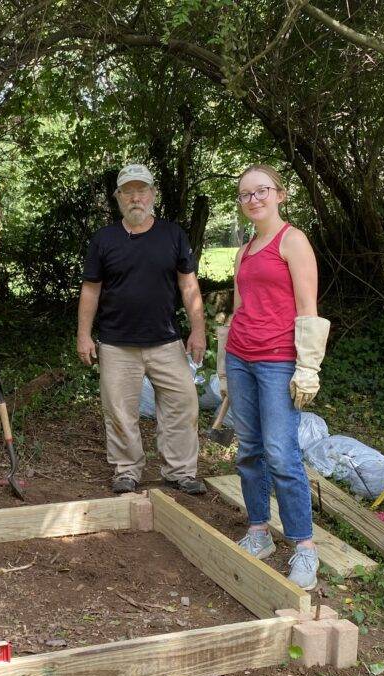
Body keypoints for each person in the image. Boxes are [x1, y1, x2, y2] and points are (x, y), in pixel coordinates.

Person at [219, 163, 330, 590]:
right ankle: (260, 531)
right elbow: (238, 308)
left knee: (281, 453)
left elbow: (308, 307)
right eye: (246, 194)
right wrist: (223, 367)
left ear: (280, 195)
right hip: (241, 358)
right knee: (248, 450)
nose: (254, 200)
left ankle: (304, 547)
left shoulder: (293, 241)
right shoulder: (244, 250)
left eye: (261, 191)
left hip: (278, 360)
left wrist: (308, 366)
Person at [78, 164, 207, 496]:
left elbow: (189, 287)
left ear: (153, 194)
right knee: (119, 409)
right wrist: (83, 334)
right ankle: (126, 470)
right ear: (119, 197)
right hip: (116, 343)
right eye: (128, 192)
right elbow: (90, 289)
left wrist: (198, 331)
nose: (136, 197)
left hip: (166, 340)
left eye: (142, 190)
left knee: (183, 402)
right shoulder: (104, 239)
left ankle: (180, 471)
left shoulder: (173, 235)